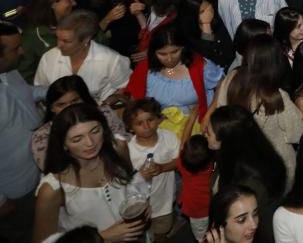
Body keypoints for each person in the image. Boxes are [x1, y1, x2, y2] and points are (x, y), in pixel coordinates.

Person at [33, 103, 146, 243]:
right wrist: (102, 238)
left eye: (95, 131)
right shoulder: (52, 189)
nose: (90, 143)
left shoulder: (119, 150)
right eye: (77, 139)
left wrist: (142, 204)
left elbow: (131, 183)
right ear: (63, 144)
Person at [215, 35, 303, 186]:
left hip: (238, 164)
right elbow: (297, 133)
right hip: (275, 169)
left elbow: (221, 115)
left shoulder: (231, 80)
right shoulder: (276, 96)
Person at [205, 106, 287, 243]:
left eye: (209, 133)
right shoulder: (231, 157)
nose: (204, 134)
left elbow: (255, 227)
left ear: (226, 139)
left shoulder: (249, 181)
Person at [124, 24, 223, 134]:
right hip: (155, 129)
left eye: (175, 52)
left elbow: (222, 84)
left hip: (193, 128)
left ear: (184, 48)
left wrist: (209, 115)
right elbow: (134, 103)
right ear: (152, 52)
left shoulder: (200, 66)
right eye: (162, 54)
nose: (169, 59)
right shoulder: (144, 69)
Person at [0, 22, 44, 243]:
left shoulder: (9, 72)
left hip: (36, 172)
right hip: (14, 192)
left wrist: (56, 90)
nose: (23, 51)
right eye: (15, 49)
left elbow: (27, 94)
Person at [34, 10, 131, 105]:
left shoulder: (112, 60)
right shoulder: (48, 58)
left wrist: (112, 100)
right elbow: (40, 90)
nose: (59, 45)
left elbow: (128, 88)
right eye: (57, 38)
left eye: (66, 41)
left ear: (86, 40)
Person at [124, 98, 179, 243]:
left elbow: (180, 162)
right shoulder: (128, 150)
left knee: (161, 233)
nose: (146, 126)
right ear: (130, 128)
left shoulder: (168, 137)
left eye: (150, 119)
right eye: (139, 123)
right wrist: (140, 175)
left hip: (164, 204)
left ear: (158, 119)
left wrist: (162, 168)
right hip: (138, 208)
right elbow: (124, 179)